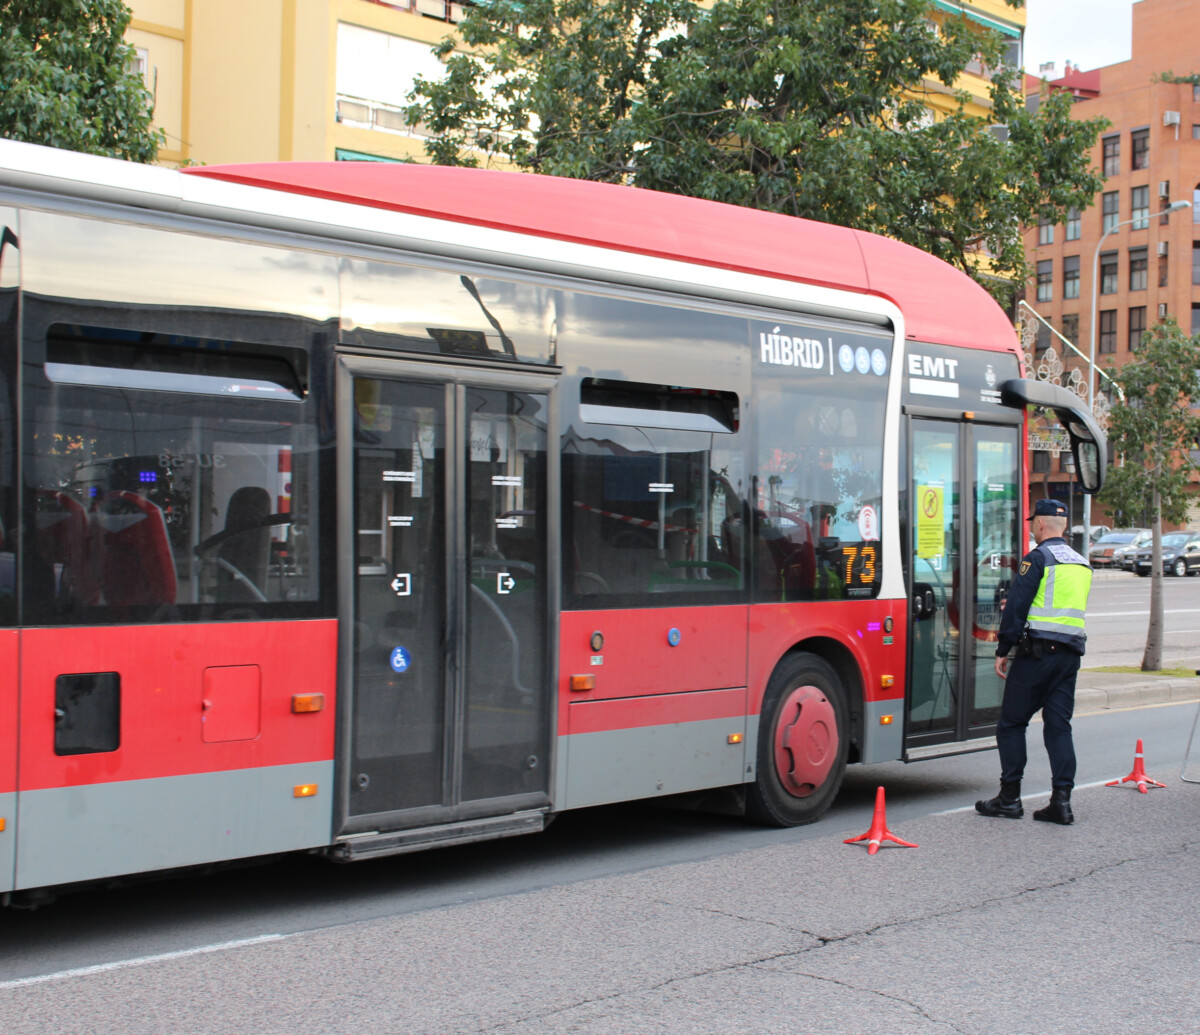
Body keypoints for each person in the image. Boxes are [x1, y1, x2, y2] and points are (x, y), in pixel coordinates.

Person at [976, 498, 1093, 825]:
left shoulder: (1038, 558)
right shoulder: (1082, 564)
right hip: (1070, 656)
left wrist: (1003, 649)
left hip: (1039, 654)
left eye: (1031, 522)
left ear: (1040, 524)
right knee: (1059, 727)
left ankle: (1009, 798)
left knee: (1011, 723)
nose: (1030, 527)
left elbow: (1016, 607)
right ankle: (1062, 802)